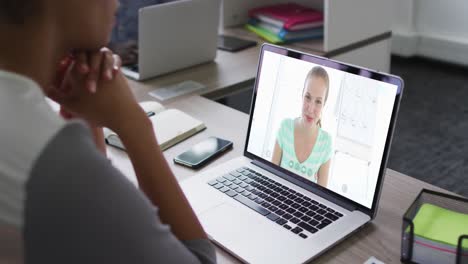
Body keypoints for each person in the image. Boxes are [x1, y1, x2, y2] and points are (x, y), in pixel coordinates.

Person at [0, 1, 215, 263]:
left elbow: (91, 228)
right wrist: (133, 124)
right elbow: (198, 259)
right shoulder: (48, 156)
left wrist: (82, 113)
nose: (117, 2)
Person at [272, 66, 333, 187]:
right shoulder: (285, 127)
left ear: (324, 104)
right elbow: (270, 176)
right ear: (302, 95)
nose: (310, 108)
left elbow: (322, 197)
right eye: (308, 97)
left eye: (318, 101)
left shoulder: (326, 142)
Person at [109, 0, 174, 65]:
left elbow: (175, 22)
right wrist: (111, 49)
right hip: (106, 61)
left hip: (146, 61)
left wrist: (144, 49)